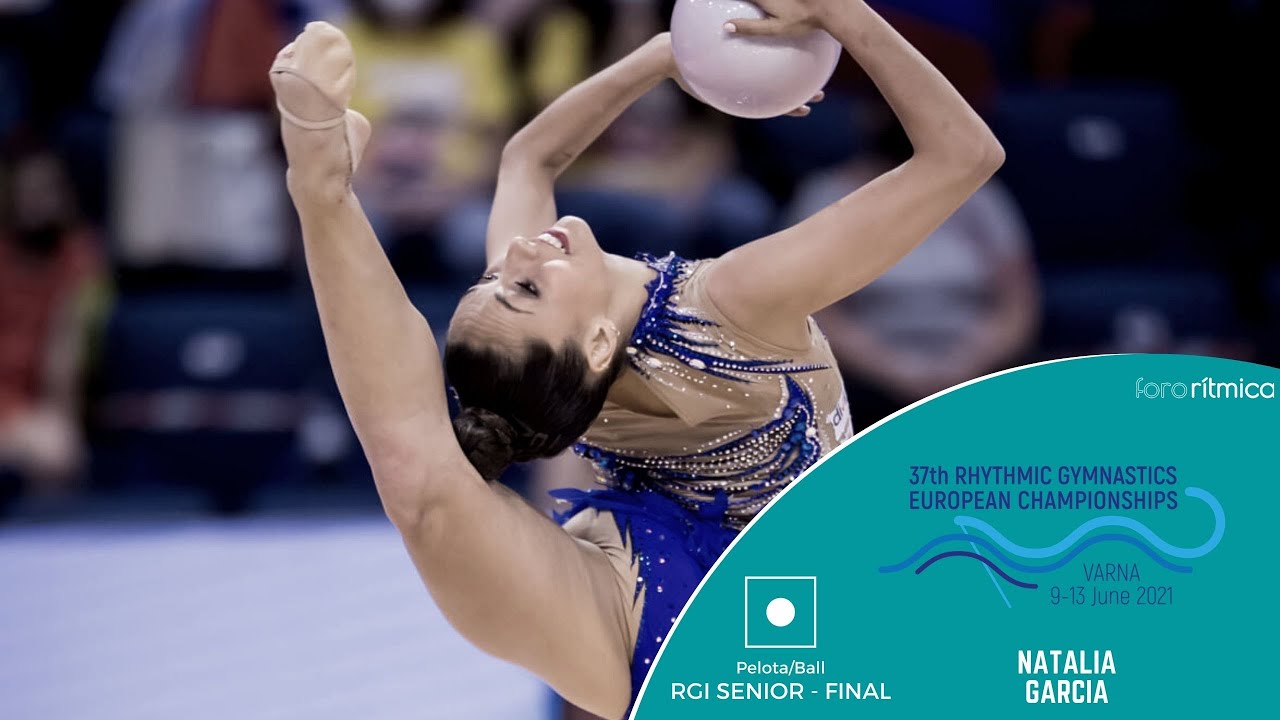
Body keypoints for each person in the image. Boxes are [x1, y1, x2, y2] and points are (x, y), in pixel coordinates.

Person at [269, 0, 1004, 715]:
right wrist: (845, 16)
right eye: (521, 286)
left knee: (419, 485)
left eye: (493, 277)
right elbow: (964, 155)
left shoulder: (550, 343)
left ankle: (323, 192)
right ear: (593, 346)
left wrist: (670, 55)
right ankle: (324, 191)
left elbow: (529, 156)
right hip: (706, 593)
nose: (519, 251)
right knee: (421, 486)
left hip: (736, 587)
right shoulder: (732, 302)